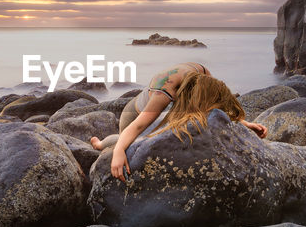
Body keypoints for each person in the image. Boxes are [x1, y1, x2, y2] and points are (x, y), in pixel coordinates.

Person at [90, 63, 266, 182]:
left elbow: (218, 104)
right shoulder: (165, 92)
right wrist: (119, 151)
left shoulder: (202, 74)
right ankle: (99, 144)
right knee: (127, 141)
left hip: (160, 109)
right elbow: (136, 126)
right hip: (134, 114)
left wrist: (245, 123)